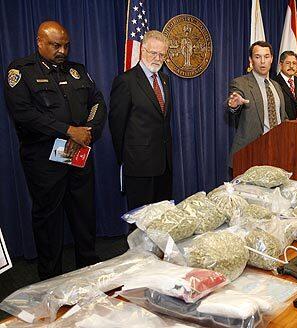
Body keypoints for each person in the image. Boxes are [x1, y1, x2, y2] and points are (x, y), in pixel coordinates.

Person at [4, 21, 106, 280]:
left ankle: (88, 268)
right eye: (55, 45)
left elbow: (97, 102)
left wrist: (88, 131)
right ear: (39, 42)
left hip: (78, 152)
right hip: (44, 160)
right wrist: (69, 130)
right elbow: (24, 114)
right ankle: (51, 279)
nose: (62, 50)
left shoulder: (77, 71)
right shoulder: (21, 71)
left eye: (65, 45)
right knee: (48, 220)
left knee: (84, 213)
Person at [109, 30, 172, 212]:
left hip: (165, 165)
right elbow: (117, 125)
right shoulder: (125, 81)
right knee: (140, 221)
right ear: (143, 50)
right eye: (154, 53)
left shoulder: (166, 80)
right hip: (139, 166)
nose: (158, 58)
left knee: (163, 218)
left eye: (162, 54)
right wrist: (125, 159)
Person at [227, 41, 287, 165]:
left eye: (266, 57)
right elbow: (234, 99)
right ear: (251, 60)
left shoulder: (276, 86)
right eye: (257, 57)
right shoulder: (240, 83)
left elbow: (282, 117)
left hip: (279, 151)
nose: (262, 61)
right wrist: (234, 104)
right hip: (251, 153)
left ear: (272, 59)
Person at [273, 51, 297, 119]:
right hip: (284, 126)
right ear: (281, 64)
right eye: (288, 63)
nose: (291, 66)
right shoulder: (274, 83)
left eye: (294, 63)